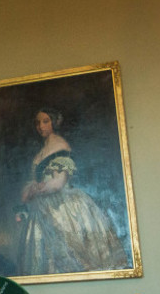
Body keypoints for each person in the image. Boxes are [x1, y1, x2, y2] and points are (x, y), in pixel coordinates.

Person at [16, 108, 128, 275]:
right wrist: (31, 190)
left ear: (54, 122)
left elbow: (58, 182)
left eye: (45, 121)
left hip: (62, 205)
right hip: (42, 207)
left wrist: (38, 189)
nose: (41, 126)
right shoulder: (42, 150)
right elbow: (35, 183)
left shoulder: (60, 145)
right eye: (37, 122)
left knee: (73, 253)